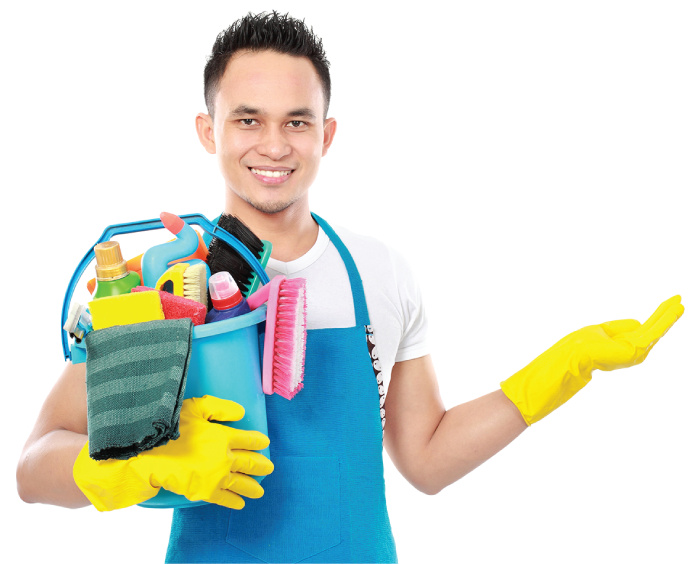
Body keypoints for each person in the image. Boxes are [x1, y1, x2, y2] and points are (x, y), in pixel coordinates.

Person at [17, 10, 685, 563]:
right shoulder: (162, 281)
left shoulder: (381, 271)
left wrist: (562, 368)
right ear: (207, 132)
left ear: (327, 135)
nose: (273, 145)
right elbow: (35, 465)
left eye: (297, 121)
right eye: (248, 120)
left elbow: (426, 459)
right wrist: (133, 468)